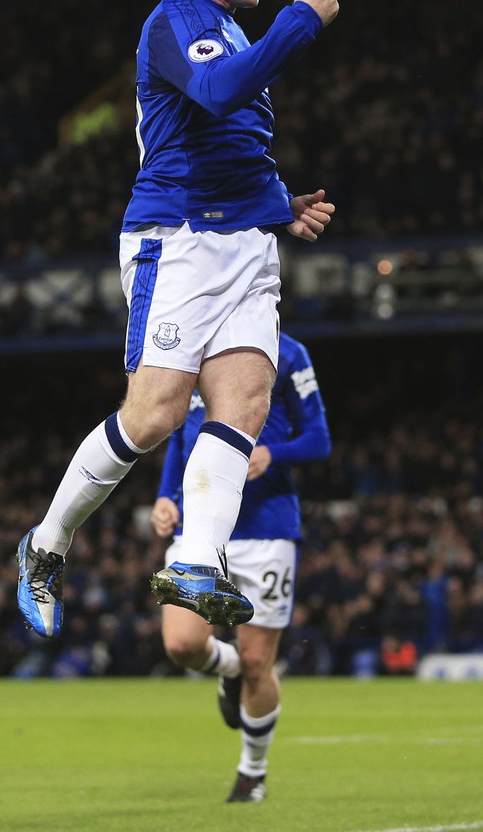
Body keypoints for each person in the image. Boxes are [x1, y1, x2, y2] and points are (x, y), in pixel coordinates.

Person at [15, 0, 338, 640]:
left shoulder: (225, 29)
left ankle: (196, 557)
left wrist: (280, 204)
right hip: (180, 237)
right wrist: (300, 18)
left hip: (248, 242)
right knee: (157, 413)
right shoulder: (174, 21)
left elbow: (233, 144)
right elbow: (222, 94)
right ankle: (46, 542)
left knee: (247, 405)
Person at [151, 332, 330, 803]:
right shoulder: (191, 345)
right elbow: (179, 438)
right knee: (181, 644)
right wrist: (165, 498)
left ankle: (252, 773)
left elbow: (319, 440)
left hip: (268, 531)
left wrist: (274, 453)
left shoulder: (288, 353)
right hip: (199, 528)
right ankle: (225, 668)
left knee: (258, 661)